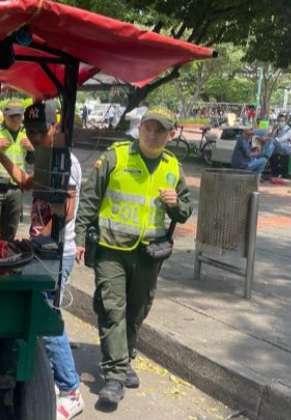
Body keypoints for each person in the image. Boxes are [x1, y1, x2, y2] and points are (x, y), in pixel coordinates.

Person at [74, 107, 192, 406]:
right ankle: (114, 375)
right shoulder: (116, 157)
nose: (153, 135)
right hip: (112, 249)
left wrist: (175, 204)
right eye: (148, 128)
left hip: (149, 254)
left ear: (171, 134)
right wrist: (79, 238)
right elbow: (90, 197)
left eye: (160, 130)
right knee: (113, 308)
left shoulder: (172, 167)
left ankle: (124, 358)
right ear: (140, 129)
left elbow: (186, 211)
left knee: (137, 311)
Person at [0, 101, 84, 420]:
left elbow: (66, 210)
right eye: (30, 131)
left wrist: (36, 241)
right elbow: (25, 183)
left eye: (41, 131)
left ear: (55, 128)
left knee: (48, 320)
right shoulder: (46, 157)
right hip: (41, 250)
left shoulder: (66, 162)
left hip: (55, 253)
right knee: (36, 316)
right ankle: (48, 380)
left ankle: (71, 391)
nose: (36, 136)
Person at [0, 99, 33, 240]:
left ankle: (6, 255)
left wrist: (32, 149)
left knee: (10, 231)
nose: (15, 119)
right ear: (5, 116)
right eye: (11, 116)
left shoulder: (27, 133)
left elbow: (33, 160)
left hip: (16, 189)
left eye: (18, 115)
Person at [269, 114, 291, 182]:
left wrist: (272, 140)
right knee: (271, 151)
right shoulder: (277, 129)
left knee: (273, 146)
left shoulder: (289, 130)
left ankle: (281, 174)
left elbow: (282, 139)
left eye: (282, 121)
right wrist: (273, 130)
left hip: (286, 148)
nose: (280, 122)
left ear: (285, 121)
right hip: (277, 148)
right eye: (279, 120)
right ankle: (274, 173)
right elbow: (271, 136)